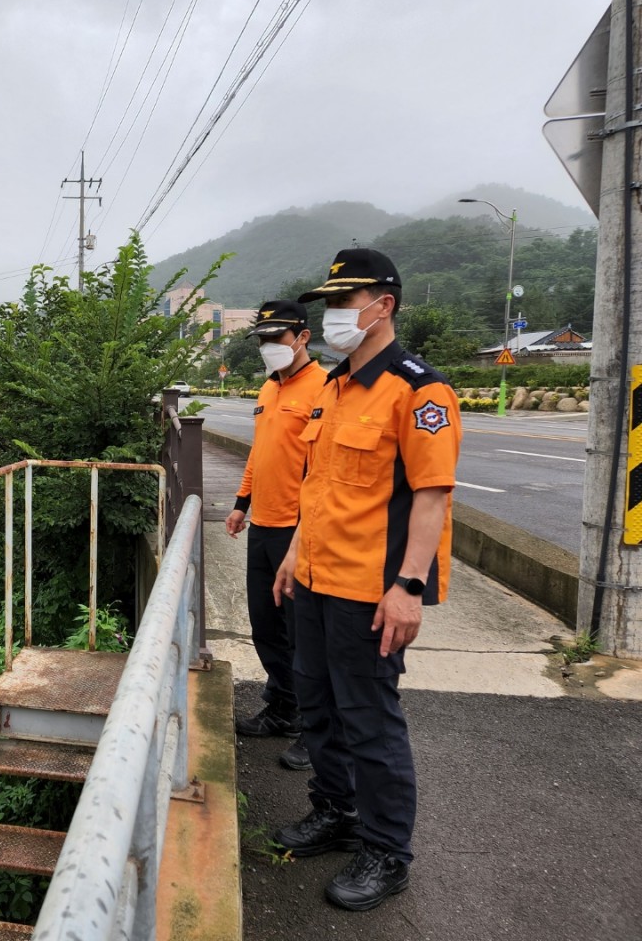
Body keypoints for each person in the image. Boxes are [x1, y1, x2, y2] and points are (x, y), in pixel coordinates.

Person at [270, 247, 461, 912]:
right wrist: (294, 553)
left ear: (383, 306)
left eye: (343, 303)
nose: (332, 315)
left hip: (370, 592)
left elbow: (431, 497)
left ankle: (386, 852)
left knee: (370, 722)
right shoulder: (333, 388)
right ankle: (337, 811)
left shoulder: (419, 390)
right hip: (315, 579)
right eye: (327, 304)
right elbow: (318, 486)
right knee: (318, 706)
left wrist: (409, 588)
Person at [225, 299, 326, 772]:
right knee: (266, 626)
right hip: (263, 525)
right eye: (262, 339)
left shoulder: (324, 387)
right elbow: (259, 452)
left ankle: (315, 728)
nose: (268, 346)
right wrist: (241, 503)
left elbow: (323, 467)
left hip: (298, 528)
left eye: (276, 338)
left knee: (303, 633)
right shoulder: (269, 388)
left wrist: (307, 527)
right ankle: (283, 707)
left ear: (302, 337)